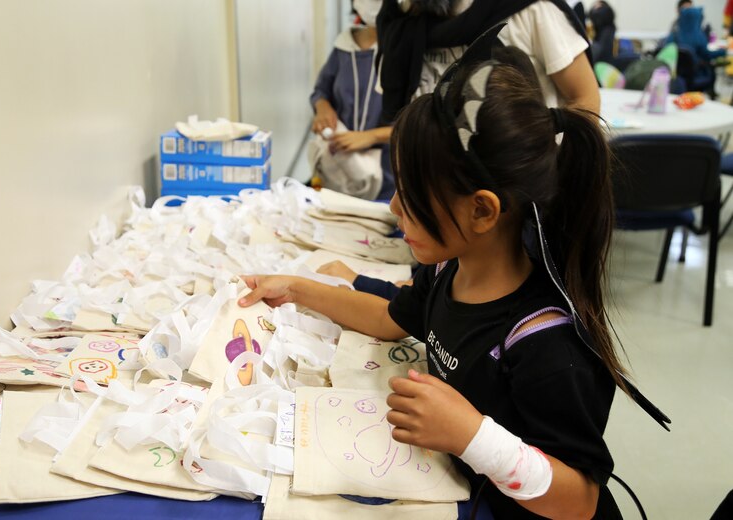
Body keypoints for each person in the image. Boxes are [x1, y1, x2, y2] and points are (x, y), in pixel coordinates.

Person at [240, 38, 633, 517]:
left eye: (412, 196)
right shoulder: (450, 269)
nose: (393, 207)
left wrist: (473, 437)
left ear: (482, 210)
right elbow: (391, 316)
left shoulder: (546, 343)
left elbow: (580, 500)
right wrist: (298, 290)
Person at [376, 0, 601, 126]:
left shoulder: (531, 9)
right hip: (438, 184)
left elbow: (585, 99)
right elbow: (401, 115)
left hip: (527, 183)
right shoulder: (400, 22)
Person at [310, 0, 395, 200]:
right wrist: (323, 108)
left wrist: (372, 136)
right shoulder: (343, 47)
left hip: (388, 176)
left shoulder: (403, 49)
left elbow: (419, 119)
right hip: (339, 167)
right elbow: (320, 91)